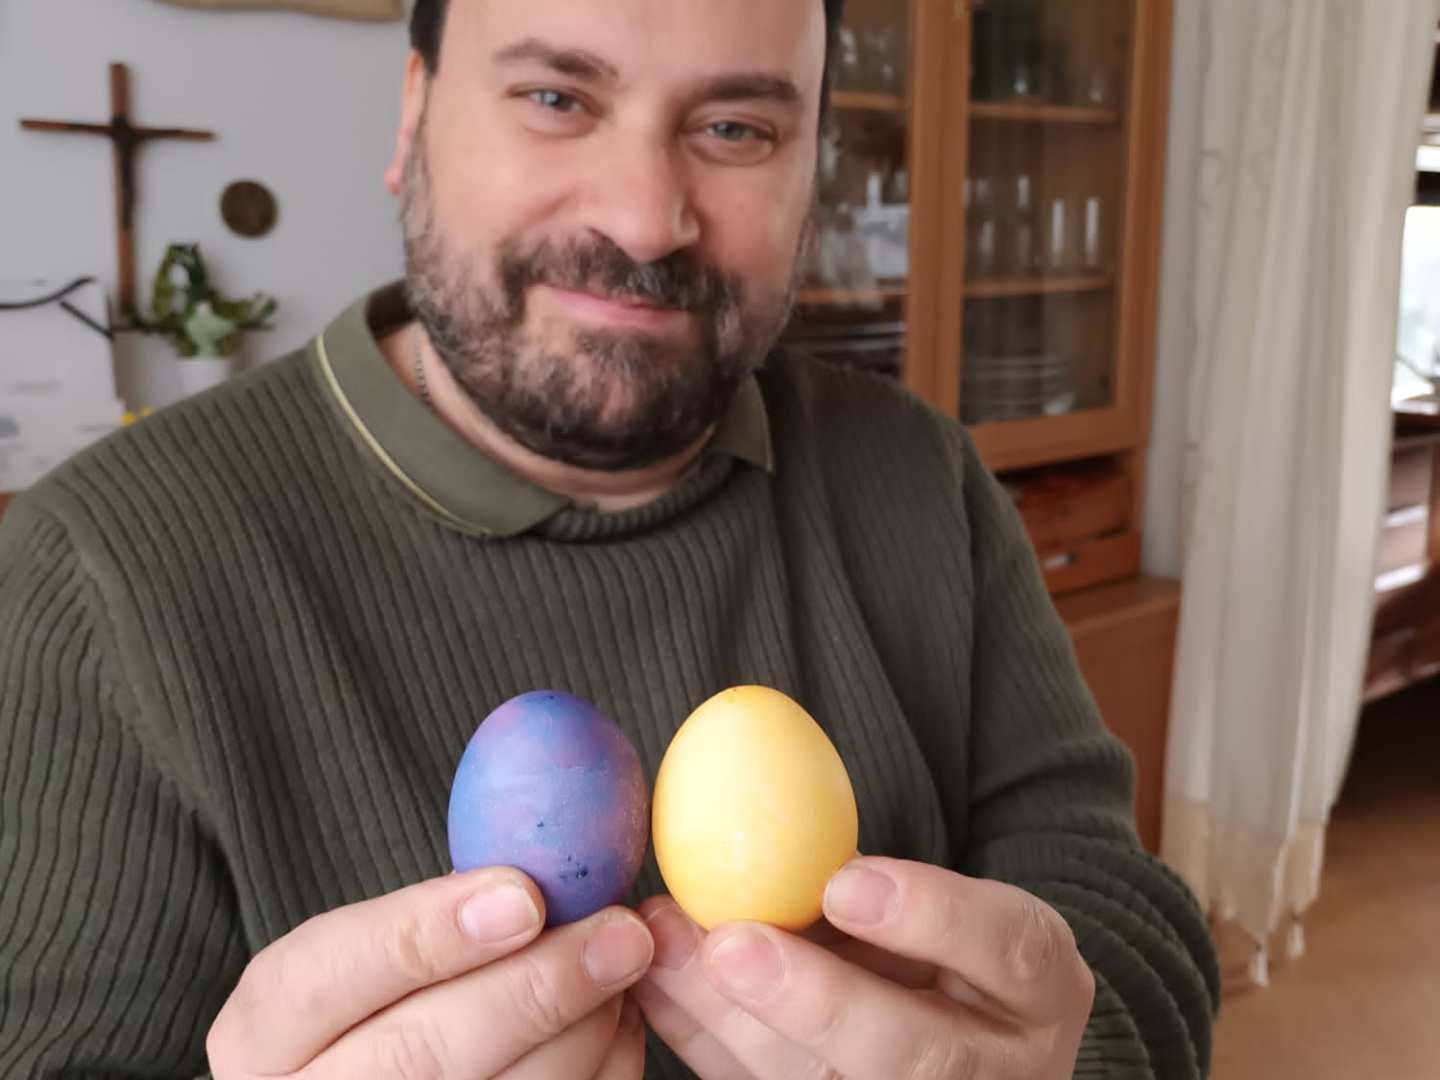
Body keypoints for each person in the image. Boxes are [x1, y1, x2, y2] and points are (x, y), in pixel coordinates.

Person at [0, 1, 1219, 1076]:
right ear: (413, 117)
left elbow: (1117, 908)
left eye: (736, 128)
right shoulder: (96, 578)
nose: (644, 221)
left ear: (812, 166)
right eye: (554, 96)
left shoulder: (922, 477)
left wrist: (1069, 1056)